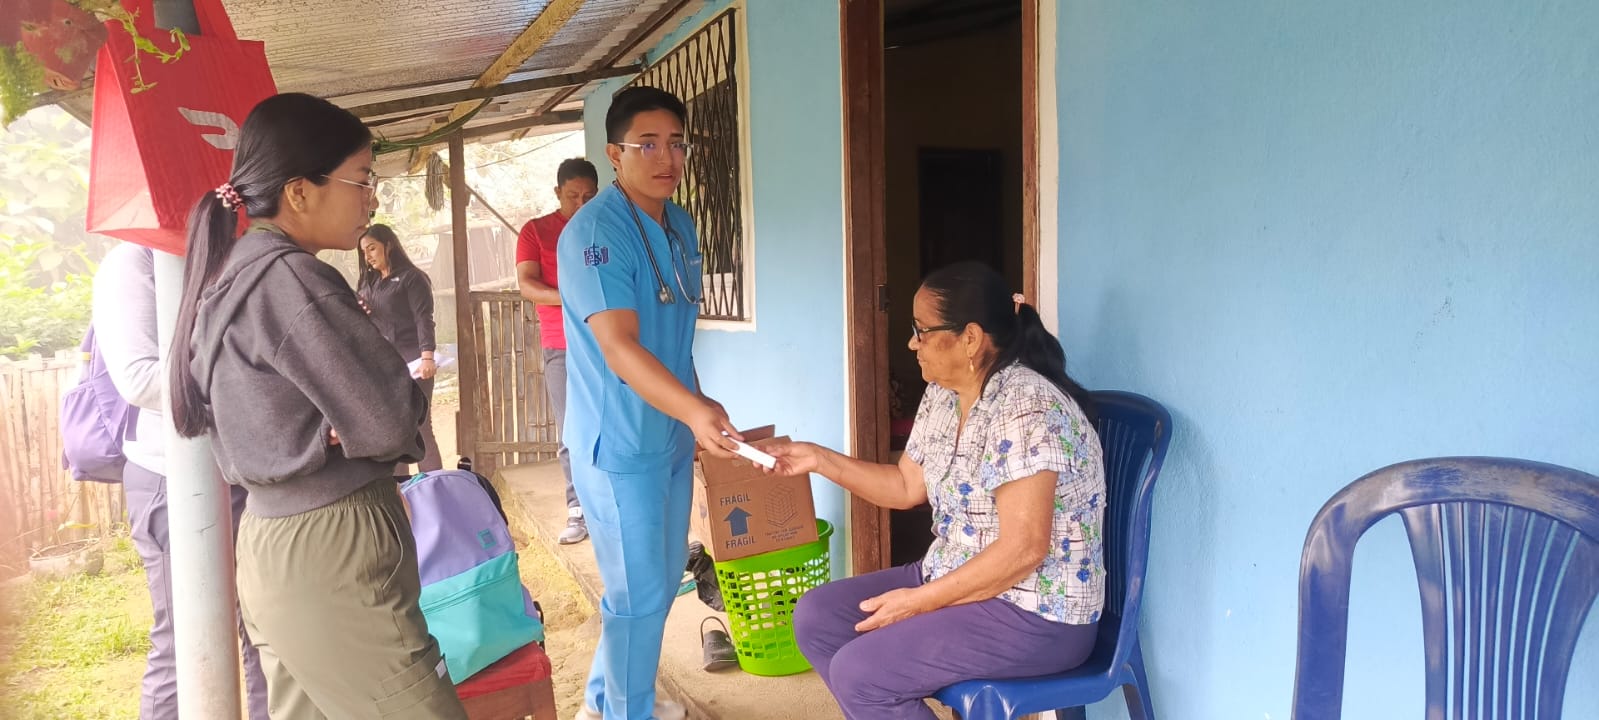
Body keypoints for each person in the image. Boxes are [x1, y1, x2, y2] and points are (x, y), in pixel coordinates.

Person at [168, 92, 468, 720]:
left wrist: (338, 421)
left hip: (271, 543)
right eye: (362, 179)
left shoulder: (233, 275)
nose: (371, 200)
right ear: (300, 192)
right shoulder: (294, 280)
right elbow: (390, 416)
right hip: (332, 547)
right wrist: (354, 416)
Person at [770, 261, 1106, 720]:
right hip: (958, 575)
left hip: (1037, 613)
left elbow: (1024, 549)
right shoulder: (946, 394)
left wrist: (917, 603)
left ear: (970, 338)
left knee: (861, 673)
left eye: (922, 331)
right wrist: (817, 458)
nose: (912, 343)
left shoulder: (1027, 407)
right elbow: (906, 485)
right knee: (818, 618)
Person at [557, 86, 741, 720]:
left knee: (658, 584)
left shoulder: (680, 224)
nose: (668, 158)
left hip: (668, 436)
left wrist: (698, 406)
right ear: (614, 153)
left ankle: (605, 699)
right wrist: (691, 410)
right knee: (636, 593)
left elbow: (675, 336)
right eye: (649, 144)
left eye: (677, 143)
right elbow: (620, 346)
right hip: (619, 443)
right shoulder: (594, 233)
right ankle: (626, 710)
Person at [92, 242, 270, 720]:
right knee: (184, 642)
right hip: (169, 478)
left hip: (240, 470)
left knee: (263, 626)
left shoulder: (220, 253)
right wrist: (249, 385)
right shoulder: (132, 263)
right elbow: (138, 378)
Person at [516, 157, 599, 544]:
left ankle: (607, 506)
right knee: (571, 431)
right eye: (572, 196)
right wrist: (573, 298)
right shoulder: (536, 231)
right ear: (557, 193)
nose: (581, 204)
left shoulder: (603, 227)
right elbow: (528, 285)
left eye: (588, 196)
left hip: (607, 343)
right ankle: (578, 510)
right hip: (562, 346)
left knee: (611, 425)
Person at [357, 223, 442, 478]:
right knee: (393, 427)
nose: (368, 256)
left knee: (420, 425)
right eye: (363, 251)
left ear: (389, 245)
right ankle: (401, 488)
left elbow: (423, 318)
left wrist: (427, 356)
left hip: (414, 362)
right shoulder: (369, 283)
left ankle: (434, 487)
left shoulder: (412, 278)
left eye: (372, 248)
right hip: (383, 365)